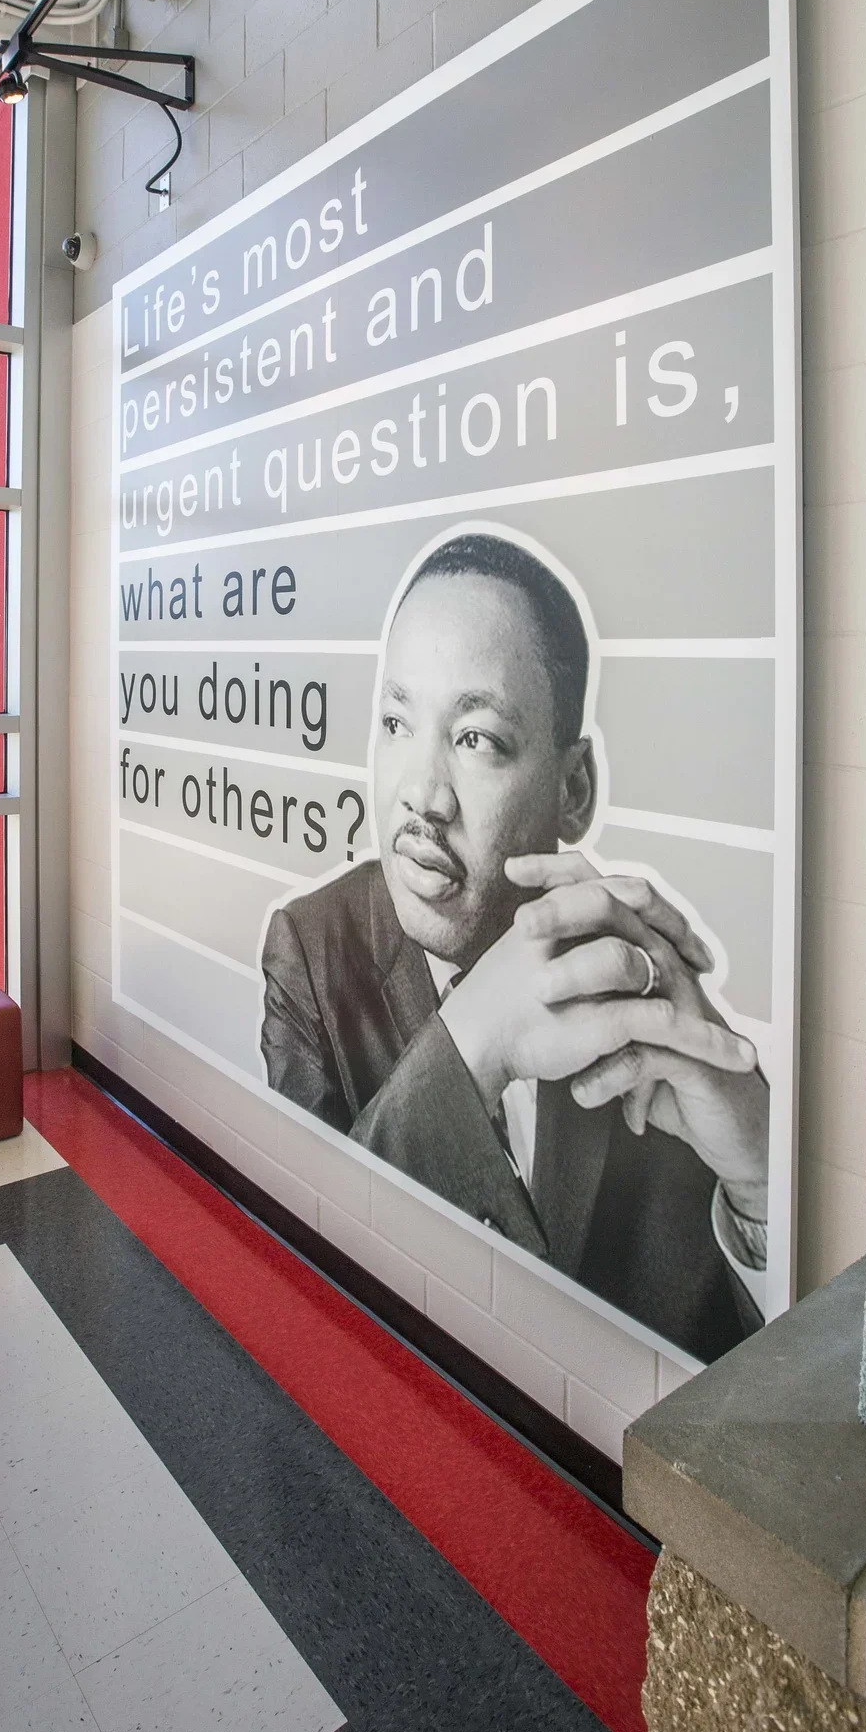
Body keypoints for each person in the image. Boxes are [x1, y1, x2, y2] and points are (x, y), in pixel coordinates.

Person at [260, 531, 770, 1362]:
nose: (420, 795)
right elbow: (299, 1300)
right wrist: (472, 1045)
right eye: (396, 722)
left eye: (477, 740)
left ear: (573, 790)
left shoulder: (632, 975)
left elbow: (738, 1382)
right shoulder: (311, 952)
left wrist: (762, 1182)